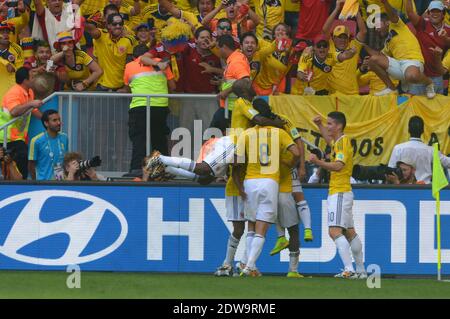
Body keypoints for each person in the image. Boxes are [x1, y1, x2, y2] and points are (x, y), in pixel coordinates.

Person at [233, 106, 301, 277]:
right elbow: (297, 152)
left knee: (251, 225)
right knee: (262, 228)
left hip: (250, 181)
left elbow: (236, 162)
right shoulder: (279, 132)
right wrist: (291, 164)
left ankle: (248, 266)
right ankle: (249, 266)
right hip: (270, 181)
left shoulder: (246, 134)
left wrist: (239, 186)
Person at [309, 111, 366, 279]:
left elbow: (339, 165)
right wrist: (319, 125)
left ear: (339, 125)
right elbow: (331, 142)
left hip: (339, 191)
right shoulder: (340, 142)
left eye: (329, 124)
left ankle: (349, 269)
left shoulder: (343, 142)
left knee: (334, 231)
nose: (327, 127)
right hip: (343, 191)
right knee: (350, 232)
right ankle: (361, 271)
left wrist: (318, 162)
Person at [364, 0, 436, 98]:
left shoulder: (396, 25)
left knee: (411, 76)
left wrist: (385, 3)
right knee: (372, 60)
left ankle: (429, 83)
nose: (376, 28)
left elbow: (392, 14)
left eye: (377, 24)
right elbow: (380, 57)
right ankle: (391, 88)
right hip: (399, 66)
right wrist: (361, 44)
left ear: (387, 22)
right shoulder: (386, 43)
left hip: (413, 61)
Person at [123, 44, 176, 175]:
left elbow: (127, 88)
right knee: (159, 140)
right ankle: (162, 171)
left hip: (140, 107)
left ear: (134, 57)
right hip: (160, 106)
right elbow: (173, 86)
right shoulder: (162, 63)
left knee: (139, 138)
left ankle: (137, 170)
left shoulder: (130, 66)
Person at [0, 67, 43, 179]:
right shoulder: (14, 92)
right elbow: (14, 111)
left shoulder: (29, 92)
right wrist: (31, 103)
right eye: (32, 77)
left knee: (21, 166)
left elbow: (32, 109)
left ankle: (21, 184)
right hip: (5, 138)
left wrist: (45, 118)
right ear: (25, 80)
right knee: (15, 167)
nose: (34, 79)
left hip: (18, 138)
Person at [405, 0, 450, 96]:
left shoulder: (448, 29)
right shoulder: (422, 24)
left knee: (436, 109)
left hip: (437, 76)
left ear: (443, 14)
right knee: (415, 107)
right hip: (420, 76)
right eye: (432, 11)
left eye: (438, 11)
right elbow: (409, 12)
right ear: (428, 14)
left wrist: (445, 38)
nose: (435, 14)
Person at [388, 116, 450, 184]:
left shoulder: (398, 149)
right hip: (426, 190)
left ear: (408, 130)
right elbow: (448, 162)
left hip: (405, 190)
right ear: (423, 131)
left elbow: (390, 172)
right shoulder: (431, 150)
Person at [322, 0, 367, 95]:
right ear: (333, 38)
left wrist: (356, 11)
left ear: (348, 39)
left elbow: (363, 31)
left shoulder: (353, 45)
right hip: (334, 95)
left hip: (352, 94)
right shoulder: (329, 46)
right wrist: (337, 8)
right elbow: (324, 30)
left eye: (344, 37)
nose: (342, 40)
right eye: (339, 37)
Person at [86, 13, 135, 91]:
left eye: (120, 24)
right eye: (114, 24)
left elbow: (129, 66)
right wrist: (92, 21)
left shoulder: (127, 41)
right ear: (108, 25)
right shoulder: (102, 36)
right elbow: (93, 31)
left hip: (120, 88)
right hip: (102, 86)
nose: (118, 26)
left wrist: (126, 88)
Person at [211, 34, 250, 127]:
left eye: (218, 48)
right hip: (230, 108)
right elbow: (235, 80)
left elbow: (246, 81)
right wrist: (222, 83)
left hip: (232, 109)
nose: (217, 51)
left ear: (224, 47)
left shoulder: (236, 61)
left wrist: (226, 92)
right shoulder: (235, 59)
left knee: (211, 136)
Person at [28, 109, 68, 181]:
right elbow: (31, 164)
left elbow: (66, 160)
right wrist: (35, 183)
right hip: (43, 184)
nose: (59, 123)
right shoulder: (36, 140)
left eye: (59, 120)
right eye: (54, 120)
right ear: (46, 123)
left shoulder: (64, 137)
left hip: (61, 182)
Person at [0, 22, 24, 101]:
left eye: (7, 32)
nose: (6, 34)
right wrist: (6, 63)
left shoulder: (17, 48)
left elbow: (19, 69)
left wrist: (13, 67)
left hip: (11, 86)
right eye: (2, 32)